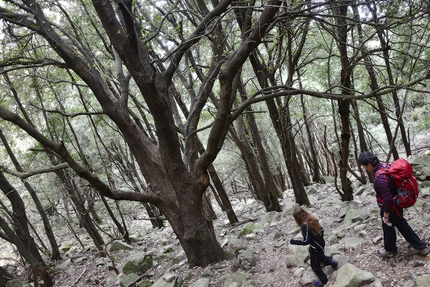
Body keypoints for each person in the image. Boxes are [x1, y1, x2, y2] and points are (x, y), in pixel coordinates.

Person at [358, 151, 429, 257]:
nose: (365, 169)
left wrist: (386, 214)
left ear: (369, 165)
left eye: (364, 166)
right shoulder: (385, 166)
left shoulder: (380, 178)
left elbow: (387, 199)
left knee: (388, 226)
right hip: (397, 202)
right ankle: (421, 247)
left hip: (391, 207)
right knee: (401, 225)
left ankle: (390, 250)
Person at [290, 207, 337, 287]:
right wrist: (318, 238)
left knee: (314, 265)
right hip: (321, 243)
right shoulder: (312, 218)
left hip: (315, 248)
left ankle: (324, 281)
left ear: (297, 219)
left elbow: (306, 241)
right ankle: (332, 262)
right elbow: (322, 230)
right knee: (320, 255)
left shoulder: (304, 226)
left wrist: (294, 241)